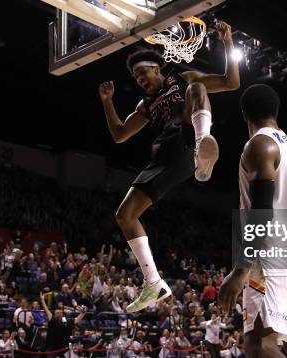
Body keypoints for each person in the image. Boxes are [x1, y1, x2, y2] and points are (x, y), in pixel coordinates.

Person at [98, 20, 239, 313]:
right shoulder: (145, 105)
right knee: (124, 216)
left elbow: (231, 82)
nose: (140, 80)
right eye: (136, 78)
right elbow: (119, 135)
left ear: (156, 68)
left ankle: (203, 146)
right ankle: (153, 282)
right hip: (164, 157)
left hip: (188, 139)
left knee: (197, 86)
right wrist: (108, 102)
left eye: (143, 73)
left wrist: (227, 43)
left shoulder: (181, 77)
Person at [218, 84, 287, 358]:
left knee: (260, 346)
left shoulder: (259, 144)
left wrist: (241, 270)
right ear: (276, 111)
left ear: (245, 114)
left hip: (270, 259)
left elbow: (262, 211)